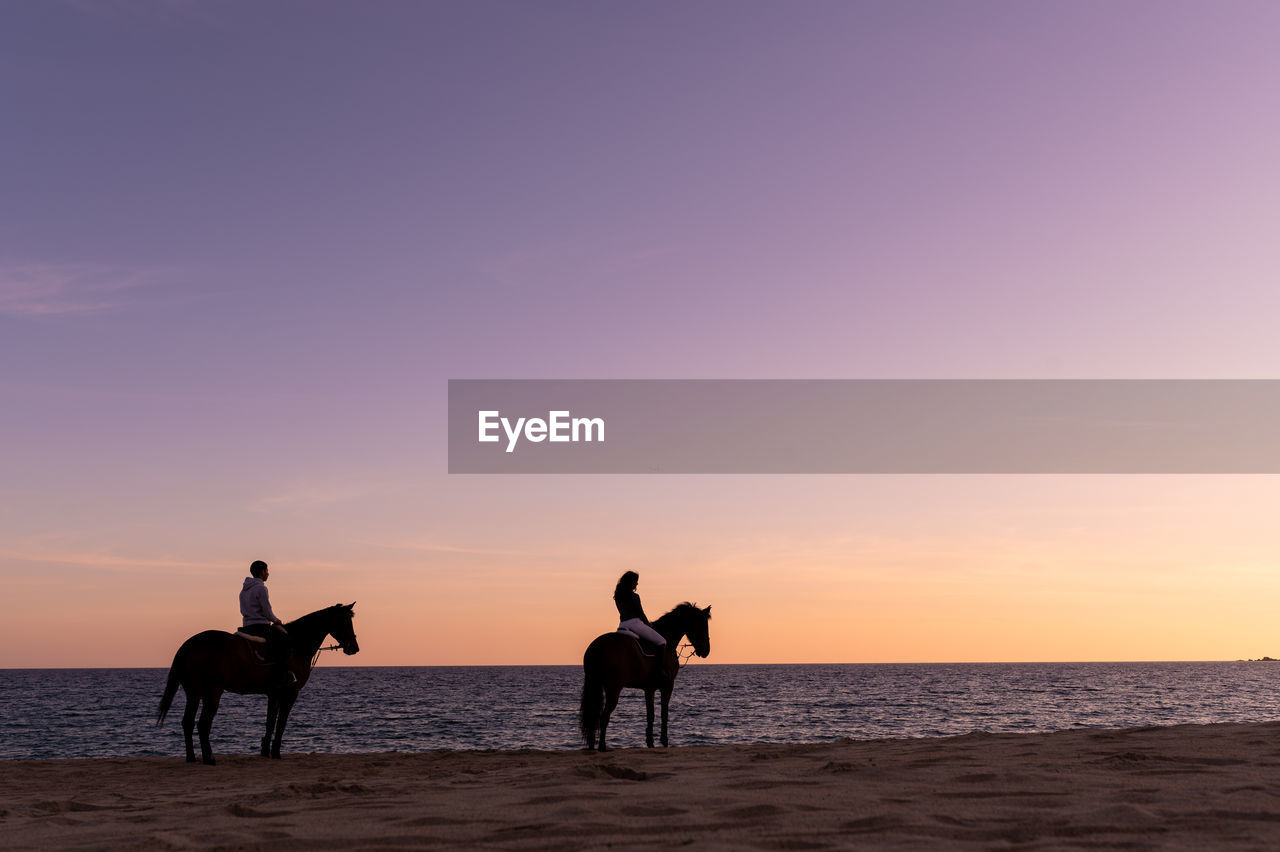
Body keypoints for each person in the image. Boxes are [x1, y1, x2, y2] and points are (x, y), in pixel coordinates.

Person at [239, 560, 295, 689]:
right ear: (262, 572)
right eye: (267, 571)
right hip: (260, 626)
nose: (268, 574)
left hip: (246, 626)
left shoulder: (243, 591)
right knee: (286, 642)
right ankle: (282, 675)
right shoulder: (261, 588)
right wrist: (276, 620)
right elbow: (267, 611)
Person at [614, 571, 668, 679]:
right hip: (634, 624)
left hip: (622, 625)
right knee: (662, 642)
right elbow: (640, 613)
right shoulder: (634, 596)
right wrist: (649, 625)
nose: (637, 584)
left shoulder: (617, 595)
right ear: (631, 582)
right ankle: (659, 670)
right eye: (636, 582)